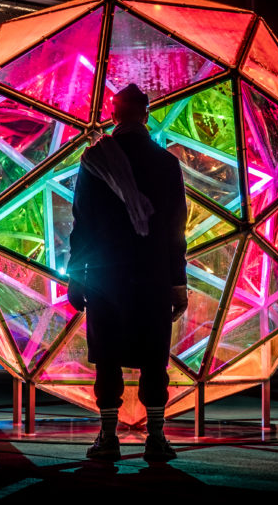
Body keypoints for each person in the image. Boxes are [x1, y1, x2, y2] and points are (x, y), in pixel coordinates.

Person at [67, 83, 189, 462]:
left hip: (106, 278)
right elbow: (175, 229)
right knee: (155, 357)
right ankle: (156, 438)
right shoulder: (166, 163)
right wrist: (177, 282)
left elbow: (81, 224)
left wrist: (76, 276)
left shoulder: (93, 160)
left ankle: (108, 437)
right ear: (147, 114)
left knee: (107, 357)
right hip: (152, 276)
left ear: (114, 114)